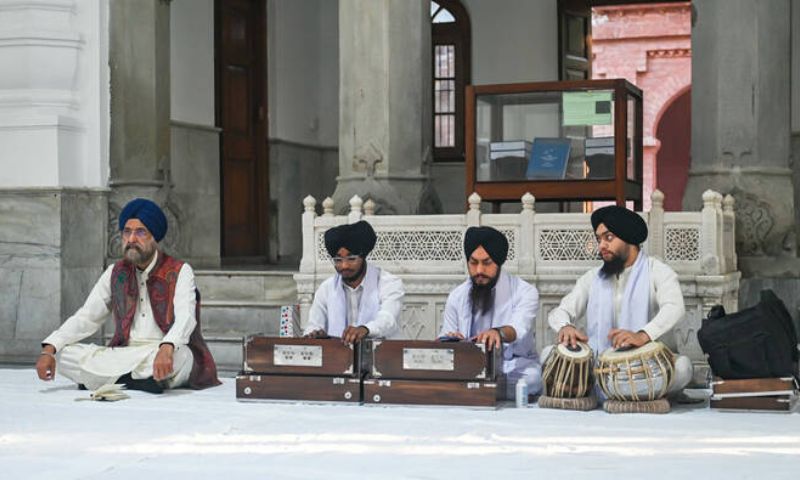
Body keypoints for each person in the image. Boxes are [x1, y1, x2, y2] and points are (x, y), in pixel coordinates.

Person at [35, 198, 220, 393]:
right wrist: (50, 348)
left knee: (183, 357)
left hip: (162, 350)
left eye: (140, 232)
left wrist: (167, 346)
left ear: (154, 237)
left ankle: (108, 379)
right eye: (127, 232)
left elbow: (186, 317)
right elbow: (87, 316)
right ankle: (137, 380)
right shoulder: (115, 272)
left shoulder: (180, 270)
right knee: (64, 354)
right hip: (125, 353)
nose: (131, 239)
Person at [547, 205, 693, 396]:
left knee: (683, 368)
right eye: (599, 239)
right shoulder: (593, 278)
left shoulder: (657, 271)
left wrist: (642, 335)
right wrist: (565, 326)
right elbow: (560, 311)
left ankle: (612, 390)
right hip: (601, 367)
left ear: (629, 238)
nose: (601, 246)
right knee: (547, 355)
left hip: (646, 367)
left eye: (608, 238)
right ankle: (622, 391)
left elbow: (675, 307)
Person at [440, 226, 542, 400]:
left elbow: (519, 328)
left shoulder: (525, 292)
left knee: (532, 379)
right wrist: (452, 341)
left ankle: (474, 392)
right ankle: (481, 391)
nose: (479, 270)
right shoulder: (457, 296)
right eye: (473, 262)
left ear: (499, 262)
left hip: (512, 366)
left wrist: (498, 333)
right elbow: (444, 339)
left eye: (487, 263)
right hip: (470, 366)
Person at [304, 220, 403, 343]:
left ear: (363, 256)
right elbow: (314, 324)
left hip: (383, 357)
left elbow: (388, 319)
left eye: (351, 258)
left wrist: (365, 329)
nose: (344, 265)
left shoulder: (389, 283)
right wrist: (315, 333)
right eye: (338, 259)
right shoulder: (326, 288)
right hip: (338, 358)